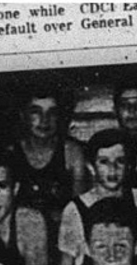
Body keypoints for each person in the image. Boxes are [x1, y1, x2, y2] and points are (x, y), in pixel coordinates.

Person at [56, 128, 137, 265]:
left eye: (120, 161)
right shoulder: (75, 209)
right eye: (104, 161)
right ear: (91, 167)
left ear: (130, 165)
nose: (113, 169)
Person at [6, 90, 89, 228]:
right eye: (36, 112)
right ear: (23, 115)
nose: (45, 120)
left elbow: (78, 207)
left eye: (52, 112)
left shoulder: (71, 152)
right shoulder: (11, 153)